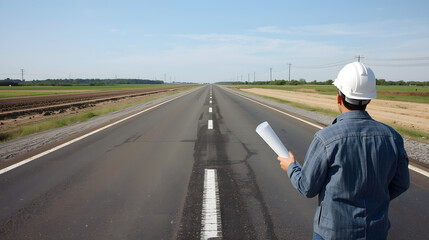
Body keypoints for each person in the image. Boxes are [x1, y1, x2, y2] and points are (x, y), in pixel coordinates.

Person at [277, 62, 410, 240]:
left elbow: (307, 187)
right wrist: (374, 198)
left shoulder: (325, 139)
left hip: (332, 233)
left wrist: (291, 167)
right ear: (369, 99)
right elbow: (401, 184)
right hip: (376, 232)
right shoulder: (393, 137)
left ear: (339, 98)